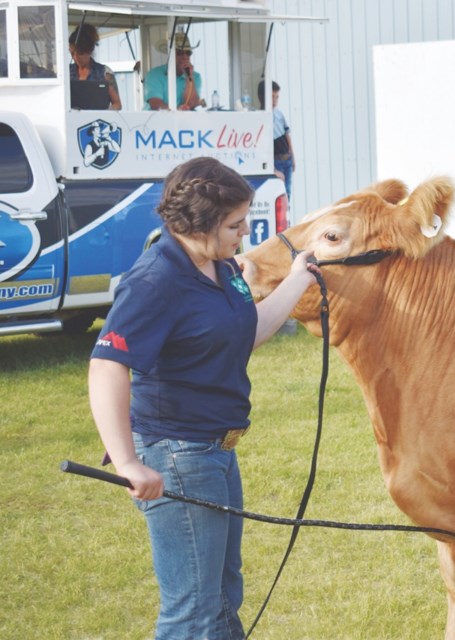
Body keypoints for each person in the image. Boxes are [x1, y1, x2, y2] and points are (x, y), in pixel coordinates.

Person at [88, 157, 318, 639]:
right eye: (236, 223)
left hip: (216, 452)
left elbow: (245, 331)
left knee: (220, 599)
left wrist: (299, 279)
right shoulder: (156, 281)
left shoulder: (220, 266)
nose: (247, 231)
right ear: (200, 221)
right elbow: (107, 364)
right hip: (178, 456)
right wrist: (129, 462)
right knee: (192, 612)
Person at [69, 23, 122, 109]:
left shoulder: (104, 72)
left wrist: (105, 113)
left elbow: (117, 104)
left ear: (90, 51)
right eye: (72, 53)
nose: (75, 57)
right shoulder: (66, 73)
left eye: (80, 54)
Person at [144, 32, 202, 111]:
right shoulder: (155, 74)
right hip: (157, 121)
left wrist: (189, 77)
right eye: (180, 53)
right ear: (170, 54)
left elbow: (192, 104)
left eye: (188, 53)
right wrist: (176, 111)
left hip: (184, 122)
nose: (185, 57)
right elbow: (156, 104)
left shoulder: (195, 76)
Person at [259, 80, 295, 202]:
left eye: (277, 97)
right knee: (278, 193)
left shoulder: (279, 114)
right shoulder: (261, 116)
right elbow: (263, 147)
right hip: (276, 161)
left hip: (287, 160)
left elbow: (287, 134)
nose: (274, 100)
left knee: (288, 192)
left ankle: (288, 218)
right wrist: (273, 168)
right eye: (271, 97)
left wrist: (292, 156)